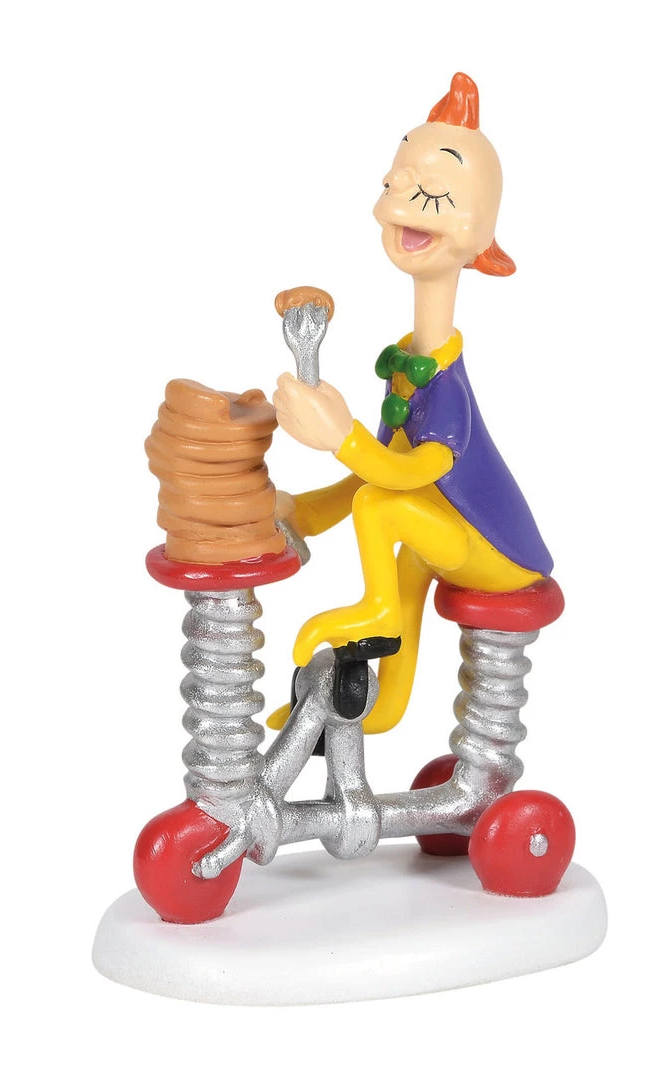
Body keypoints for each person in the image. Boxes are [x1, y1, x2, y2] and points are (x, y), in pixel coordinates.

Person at [272, 72, 552, 735]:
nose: (399, 188)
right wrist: (301, 512)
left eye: (434, 189)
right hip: (445, 536)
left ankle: (375, 611)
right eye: (399, 177)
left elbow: (403, 476)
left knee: (383, 506)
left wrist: (340, 437)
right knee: (388, 518)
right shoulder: (407, 364)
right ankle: (377, 711)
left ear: (480, 242)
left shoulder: (444, 386)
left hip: (498, 554)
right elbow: (376, 469)